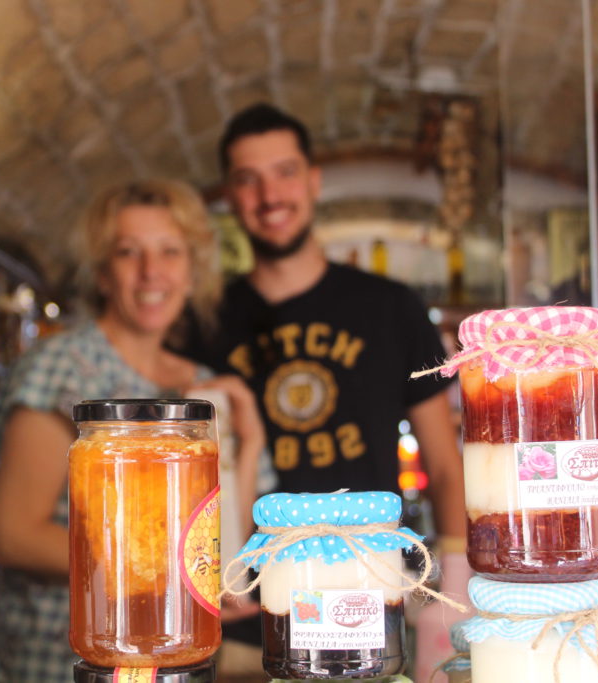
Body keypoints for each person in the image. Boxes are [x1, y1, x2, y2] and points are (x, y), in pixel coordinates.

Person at [185, 103, 470, 679]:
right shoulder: (203, 322)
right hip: (238, 618)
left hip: (363, 603)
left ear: (314, 181)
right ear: (230, 196)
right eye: (247, 179)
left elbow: (443, 461)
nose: (270, 195)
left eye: (285, 172)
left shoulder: (393, 308)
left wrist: (454, 592)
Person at [0, 178, 268, 682]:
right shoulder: (62, 367)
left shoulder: (209, 388)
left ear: (193, 268)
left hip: (178, 657)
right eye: (127, 252)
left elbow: (227, 554)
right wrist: (169, 579)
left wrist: (250, 446)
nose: (151, 271)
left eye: (170, 251)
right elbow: (13, 534)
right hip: (62, 657)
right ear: (102, 273)